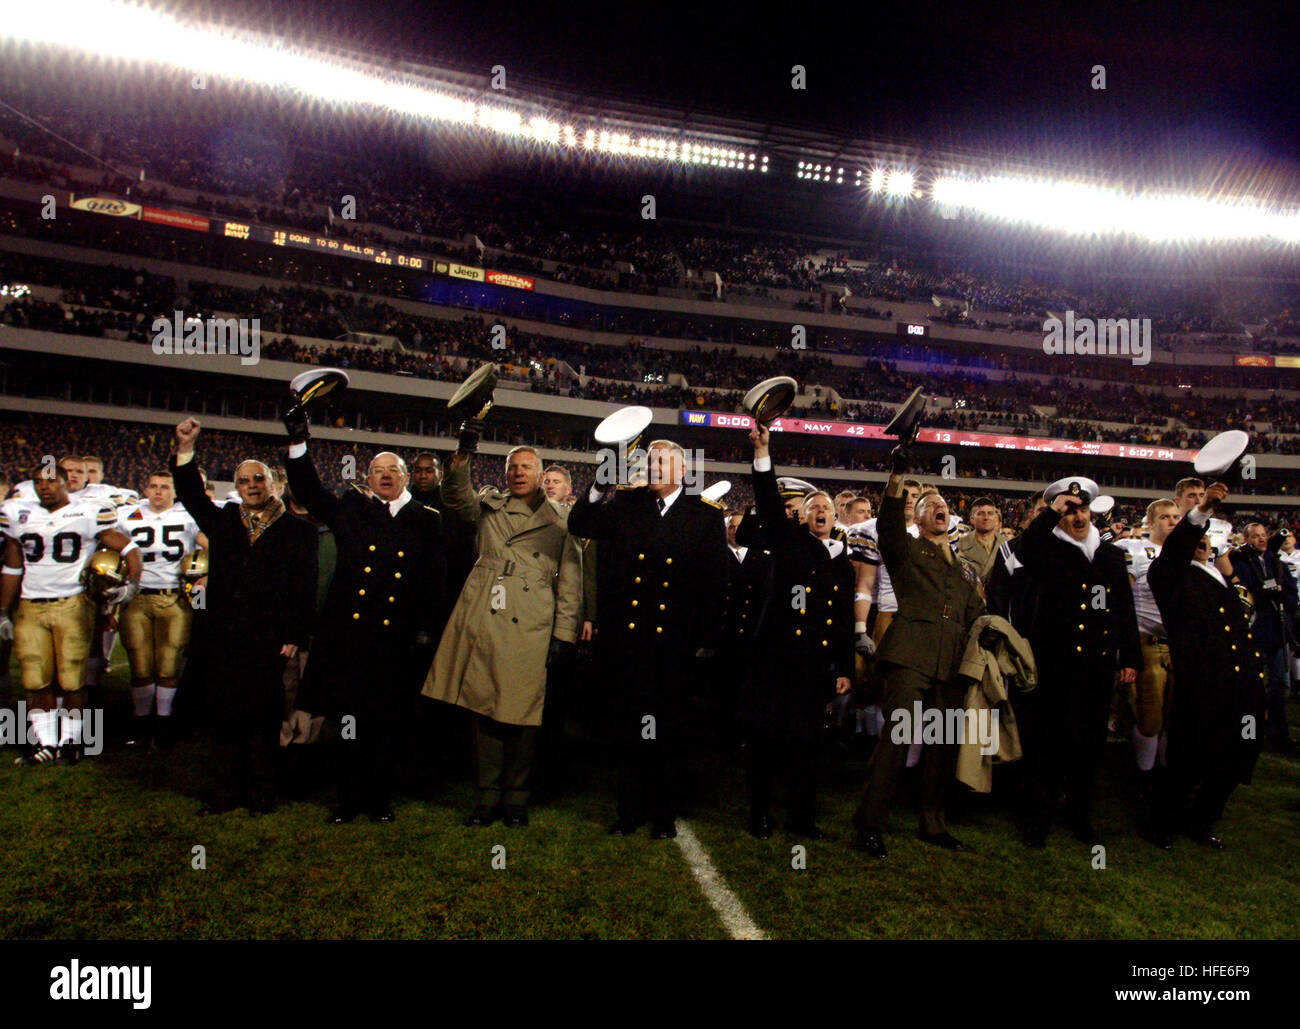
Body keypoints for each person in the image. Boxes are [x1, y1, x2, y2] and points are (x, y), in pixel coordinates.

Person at [285, 407, 446, 824]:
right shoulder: (351, 509)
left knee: (387, 725)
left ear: (405, 478)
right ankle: (347, 799)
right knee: (350, 722)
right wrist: (299, 437)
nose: (385, 477)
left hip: (396, 642)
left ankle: (379, 800)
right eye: (377, 472)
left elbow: (434, 580)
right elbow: (307, 488)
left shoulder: (426, 520)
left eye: (392, 471)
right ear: (368, 479)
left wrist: (426, 630)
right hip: (350, 640)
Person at [568, 439, 729, 840]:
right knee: (629, 729)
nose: (653, 467)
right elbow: (580, 525)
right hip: (628, 640)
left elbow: (715, 583)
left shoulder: (705, 516)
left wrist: (707, 640)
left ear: (683, 471)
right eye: (649, 461)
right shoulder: (625, 503)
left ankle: (664, 815)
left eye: (661, 461)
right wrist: (600, 483)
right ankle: (627, 811)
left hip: (674, 644)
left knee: (668, 732)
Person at [423, 429, 581, 829]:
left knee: (524, 716)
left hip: (534, 620)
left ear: (541, 474)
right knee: (485, 711)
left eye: (526, 467)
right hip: (488, 616)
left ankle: (516, 799)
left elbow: (571, 581)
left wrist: (564, 633)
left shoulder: (563, 520)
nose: (517, 472)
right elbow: (455, 497)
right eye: (512, 466)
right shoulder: (489, 506)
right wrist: (464, 454)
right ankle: (486, 798)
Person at [170, 417, 316, 815]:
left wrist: (294, 633)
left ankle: (262, 791)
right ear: (235, 488)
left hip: (270, 639)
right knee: (224, 715)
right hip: (224, 636)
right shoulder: (223, 521)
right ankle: (224, 789)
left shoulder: (297, 531)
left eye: (259, 479)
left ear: (273, 484)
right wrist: (185, 448)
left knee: (265, 716)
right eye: (245, 481)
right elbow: (188, 492)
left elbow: (304, 586)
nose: (252, 486)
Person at [851, 446, 984, 858]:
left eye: (943, 504)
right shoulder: (907, 549)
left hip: (950, 662)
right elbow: (889, 528)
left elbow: (975, 614)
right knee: (899, 737)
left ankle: (932, 823)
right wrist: (897, 475)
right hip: (909, 655)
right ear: (920, 516)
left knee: (942, 744)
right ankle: (870, 822)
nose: (938, 508)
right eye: (929, 504)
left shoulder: (965, 568)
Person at [1013, 478, 1140, 847]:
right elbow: (1024, 549)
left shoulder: (1110, 554)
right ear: (1059, 515)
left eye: (1083, 509)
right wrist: (1051, 511)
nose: (1078, 516)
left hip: (1097, 666)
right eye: (1070, 510)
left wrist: (1129, 654)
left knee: (1089, 743)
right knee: (1047, 741)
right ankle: (1038, 817)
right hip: (1056, 662)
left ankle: (1080, 813)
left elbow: (1123, 608)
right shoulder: (1046, 547)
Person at [743, 425, 854, 838]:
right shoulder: (789, 541)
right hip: (777, 662)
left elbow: (842, 620)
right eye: (814, 508)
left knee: (807, 747)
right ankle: (760, 813)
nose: (821, 512)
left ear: (835, 516)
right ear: (804, 516)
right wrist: (763, 453)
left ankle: (802, 819)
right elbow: (769, 504)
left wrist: (844, 668)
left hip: (815, 670)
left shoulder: (843, 561)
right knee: (766, 741)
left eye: (827, 508)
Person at [1147, 481, 1267, 848]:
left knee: (1236, 755)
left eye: (1207, 539)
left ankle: (1202, 819)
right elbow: (1178, 547)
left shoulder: (1219, 574)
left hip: (1241, 681)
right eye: (1196, 538)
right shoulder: (1168, 573)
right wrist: (1201, 512)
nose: (1203, 543)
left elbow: (1250, 611)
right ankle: (1163, 823)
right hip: (1203, 681)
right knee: (1189, 756)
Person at [0, 465, 142, 765]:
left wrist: (131, 586)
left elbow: (129, 547)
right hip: (30, 603)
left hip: (73, 603)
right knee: (35, 680)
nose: (43, 487)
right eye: (38, 482)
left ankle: (70, 741)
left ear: (66, 484)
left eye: (50, 481)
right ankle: (47, 742)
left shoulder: (88, 512)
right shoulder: (17, 513)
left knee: (71, 680)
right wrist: (3, 611)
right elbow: (12, 567)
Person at [116, 471, 204, 749]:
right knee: (140, 666)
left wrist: (206, 570)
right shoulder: (127, 514)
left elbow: (213, 546)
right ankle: (142, 724)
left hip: (174, 597)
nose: (158, 492)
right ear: (145, 488)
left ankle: (163, 724)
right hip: (136, 596)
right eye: (153, 486)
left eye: (165, 487)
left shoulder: (188, 515)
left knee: (168, 665)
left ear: (175, 492)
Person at [1113, 498, 1180, 845]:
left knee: (1173, 715)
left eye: (1176, 517)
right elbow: (1122, 599)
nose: (1171, 522)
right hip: (1147, 639)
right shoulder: (1135, 550)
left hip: (1180, 644)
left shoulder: (1189, 553)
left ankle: (1162, 778)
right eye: (1165, 517)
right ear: (1150, 521)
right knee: (1149, 716)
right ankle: (1144, 780)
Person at [1229, 521, 1297, 750]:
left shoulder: (1278, 563)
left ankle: (1279, 735)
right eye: (1255, 535)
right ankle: (1249, 735)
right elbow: (1240, 595)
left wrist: (1283, 599)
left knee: (1280, 686)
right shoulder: (1240, 564)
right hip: (1254, 633)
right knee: (1250, 687)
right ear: (1246, 539)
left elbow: (1292, 594)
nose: (1261, 539)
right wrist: (1261, 594)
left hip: (1278, 632)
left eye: (1263, 535)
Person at [956, 497, 1000, 588]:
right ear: (972, 519)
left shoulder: (1008, 545)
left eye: (990, 513)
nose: (986, 517)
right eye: (981, 513)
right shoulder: (959, 545)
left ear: (996, 519)